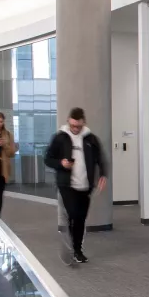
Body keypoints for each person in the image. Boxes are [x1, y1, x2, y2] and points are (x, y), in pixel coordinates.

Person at [45, 108, 109, 264]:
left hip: (85, 185)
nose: (75, 129)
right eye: (73, 125)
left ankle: (77, 249)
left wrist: (103, 175)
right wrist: (61, 163)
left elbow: (101, 159)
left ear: (83, 123)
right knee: (73, 214)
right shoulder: (60, 138)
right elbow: (47, 158)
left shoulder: (91, 139)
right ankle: (74, 248)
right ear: (68, 121)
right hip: (66, 184)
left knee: (80, 218)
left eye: (78, 126)